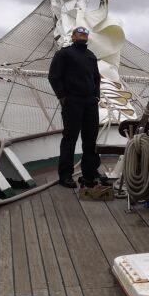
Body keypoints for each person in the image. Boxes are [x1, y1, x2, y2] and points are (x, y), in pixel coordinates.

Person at [48, 26, 102, 189]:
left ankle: (90, 173)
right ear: (72, 36)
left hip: (90, 103)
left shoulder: (91, 56)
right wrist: (62, 97)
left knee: (90, 139)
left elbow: (96, 78)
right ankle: (65, 175)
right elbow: (54, 77)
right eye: (79, 33)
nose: (83, 35)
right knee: (70, 138)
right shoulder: (63, 54)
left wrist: (96, 96)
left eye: (85, 33)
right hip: (73, 102)